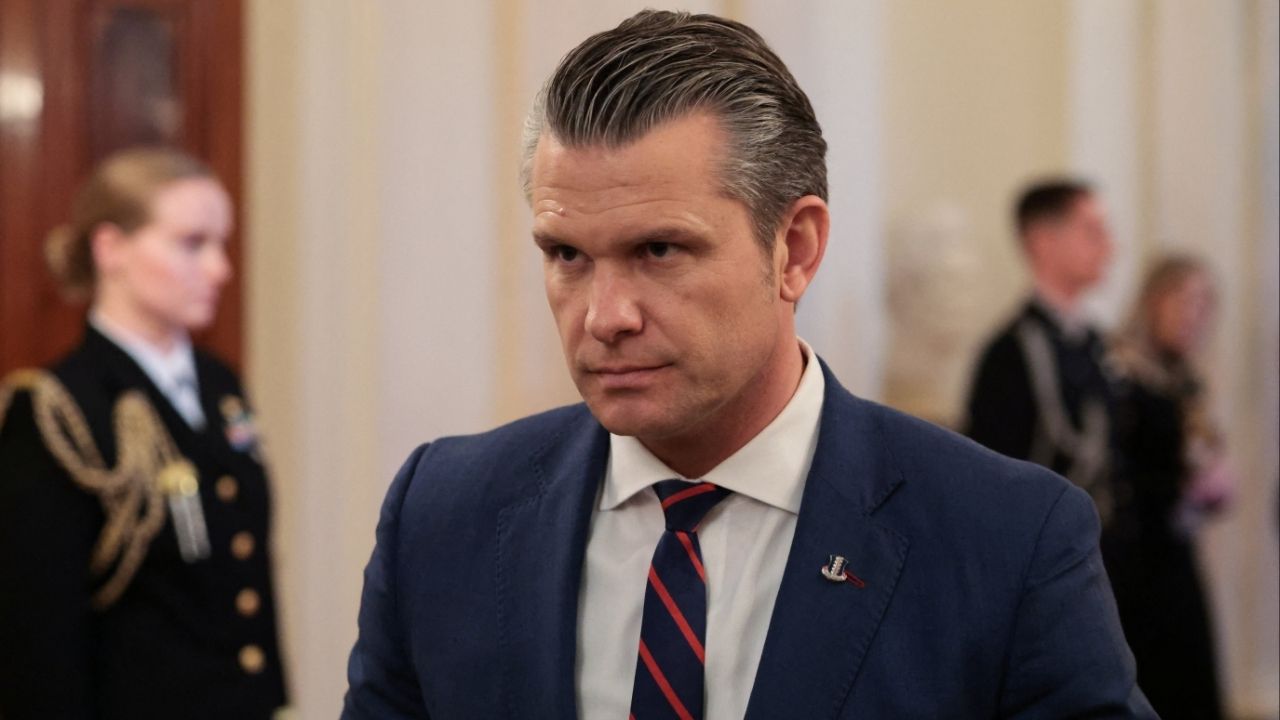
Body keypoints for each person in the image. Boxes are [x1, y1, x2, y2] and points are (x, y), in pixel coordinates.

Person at [343, 11, 1152, 719]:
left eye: (659, 249)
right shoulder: (442, 516)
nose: (604, 316)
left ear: (794, 249)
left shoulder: (1006, 538)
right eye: (566, 254)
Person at [0, 148, 288, 719]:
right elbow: (37, 635)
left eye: (221, 244)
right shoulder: (58, 408)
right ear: (111, 249)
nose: (220, 268)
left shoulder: (218, 382)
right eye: (191, 243)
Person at [1105, 255, 1230, 720]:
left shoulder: (1185, 379)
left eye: (1203, 303)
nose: (1193, 314)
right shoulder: (1120, 371)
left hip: (1176, 553)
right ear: (1152, 301)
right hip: (1132, 561)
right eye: (1183, 299)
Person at [965, 179, 1116, 516]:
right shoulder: (1010, 353)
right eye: (1092, 232)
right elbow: (995, 476)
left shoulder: (1097, 343)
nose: (1109, 247)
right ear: (1043, 241)